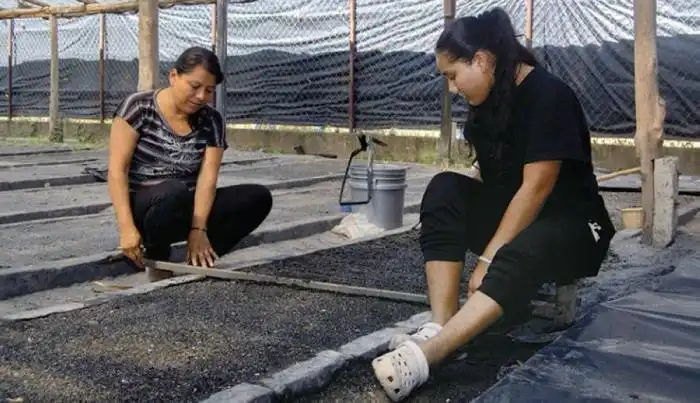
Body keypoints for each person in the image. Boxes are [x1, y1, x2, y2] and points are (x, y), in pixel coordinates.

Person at [371, 8, 616, 401]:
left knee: (527, 244)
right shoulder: (487, 104)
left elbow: (536, 190)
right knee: (444, 189)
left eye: (452, 76)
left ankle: (432, 353)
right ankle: (442, 324)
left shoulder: (548, 96)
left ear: (482, 60)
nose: (451, 88)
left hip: (576, 227)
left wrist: (486, 261)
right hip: (526, 219)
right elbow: (492, 175)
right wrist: (455, 209)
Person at [107, 46, 273, 281]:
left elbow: (208, 178)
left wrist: (199, 228)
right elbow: (117, 170)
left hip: (186, 207)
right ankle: (157, 259)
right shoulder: (137, 108)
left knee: (257, 198)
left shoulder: (212, 120)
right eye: (195, 87)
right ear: (174, 76)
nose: (201, 97)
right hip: (147, 208)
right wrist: (126, 228)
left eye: (208, 90)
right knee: (173, 192)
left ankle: (197, 257)